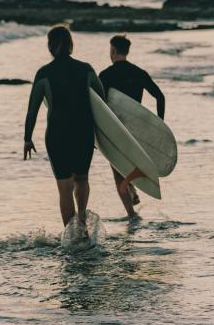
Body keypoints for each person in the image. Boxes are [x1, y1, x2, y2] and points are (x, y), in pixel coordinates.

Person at [23, 25, 105, 229]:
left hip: (57, 135)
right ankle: (83, 223)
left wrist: (27, 138)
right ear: (71, 45)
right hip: (83, 132)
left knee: (64, 187)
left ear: (50, 46)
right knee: (82, 178)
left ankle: (71, 234)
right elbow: (102, 103)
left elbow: (32, 110)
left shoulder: (43, 73)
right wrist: (102, 137)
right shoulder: (86, 69)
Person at [99, 34, 166, 218]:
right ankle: (133, 190)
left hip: (115, 131)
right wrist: (160, 125)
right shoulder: (139, 73)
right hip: (136, 131)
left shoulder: (105, 75)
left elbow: (99, 108)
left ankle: (131, 214)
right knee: (130, 164)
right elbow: (160, 97)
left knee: (118, 171)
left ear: (113, 51)